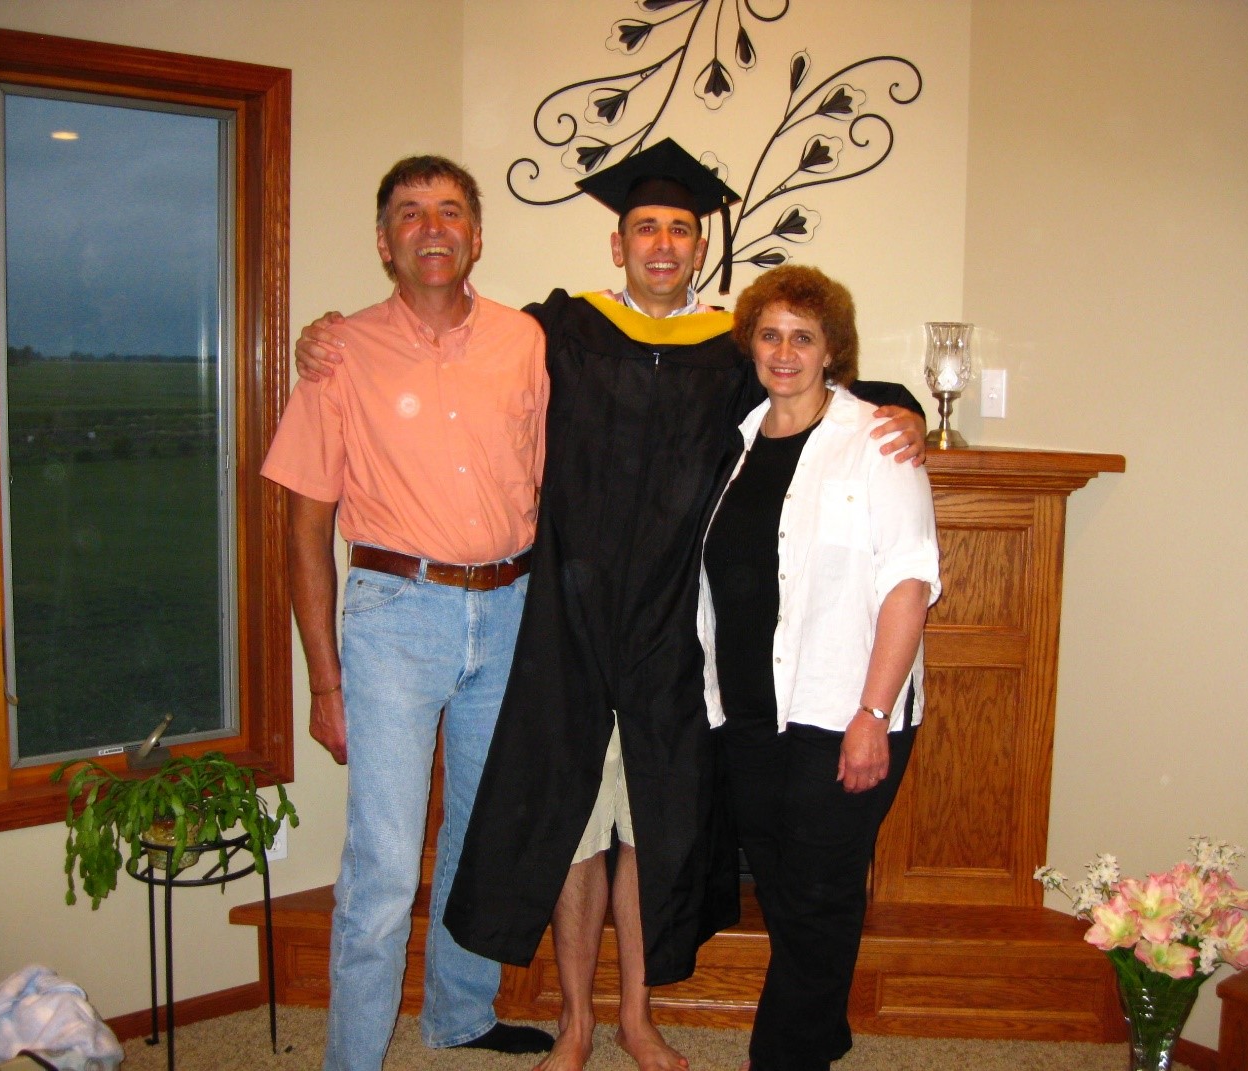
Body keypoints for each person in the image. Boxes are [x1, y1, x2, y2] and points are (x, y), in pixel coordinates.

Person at [293, 139, 927, 1071]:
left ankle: (635, 1017)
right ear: (617, 246)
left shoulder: (731, 348)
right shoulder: (559, 330)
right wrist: (326, 335)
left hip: (674, 628)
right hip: (565, 623)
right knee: (573, 822)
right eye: (643, 228)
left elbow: (812, 387)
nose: (661, 243)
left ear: (699, 248)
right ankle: (577, 1020)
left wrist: (899, 404)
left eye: (678, 228)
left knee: (655, 824)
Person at [261, 155, 554, 1071]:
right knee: (384, 864)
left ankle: (458, 1015)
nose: (433, 227)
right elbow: (304, 525)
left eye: (451, 211)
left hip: (508, 608)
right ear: (384, 240)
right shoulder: (339, 351)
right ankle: (352, 1059)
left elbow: (551, 474)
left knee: (478, 832)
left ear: (477, 233)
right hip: (395, 614)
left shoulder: (525, 343)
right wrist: (324, 677)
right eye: (410, 213)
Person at [699, 265, 940, 1071]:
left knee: (816, 888)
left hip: (843, 709)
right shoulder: (733, 444)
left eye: (802, 336)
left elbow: (908, 582)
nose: (784, 350)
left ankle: (786, 1057)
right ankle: (825, 1027)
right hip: (749, 711)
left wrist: (872, 714)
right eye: (769, 334)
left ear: (832, 348)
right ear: (750, 344)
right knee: (780, 885)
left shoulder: (877, 439)